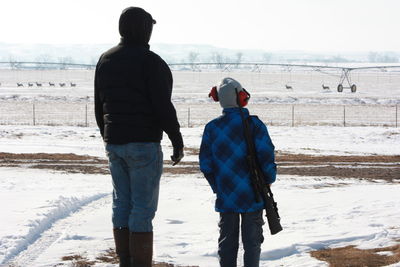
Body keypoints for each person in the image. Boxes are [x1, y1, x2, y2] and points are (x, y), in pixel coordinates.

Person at [94, 7, 184, 267]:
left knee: (121, 204)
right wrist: (176, 140)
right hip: (144, 143)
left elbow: (100, 105)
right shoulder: (152, 62)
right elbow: (162, 106)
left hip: (115, 142)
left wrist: (107, 136)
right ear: (144, 28)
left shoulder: (106, 59)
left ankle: (125, 261)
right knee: (142, 209)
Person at [199, 77, 277, 267]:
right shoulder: (255, 125)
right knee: (252, 243)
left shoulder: (211, 128)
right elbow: (266, 157)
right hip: (253, 193)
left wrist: (218, 187)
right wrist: (268, 179)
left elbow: (206, 164)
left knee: (227, 243)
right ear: (242, 97)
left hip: (226, 195)